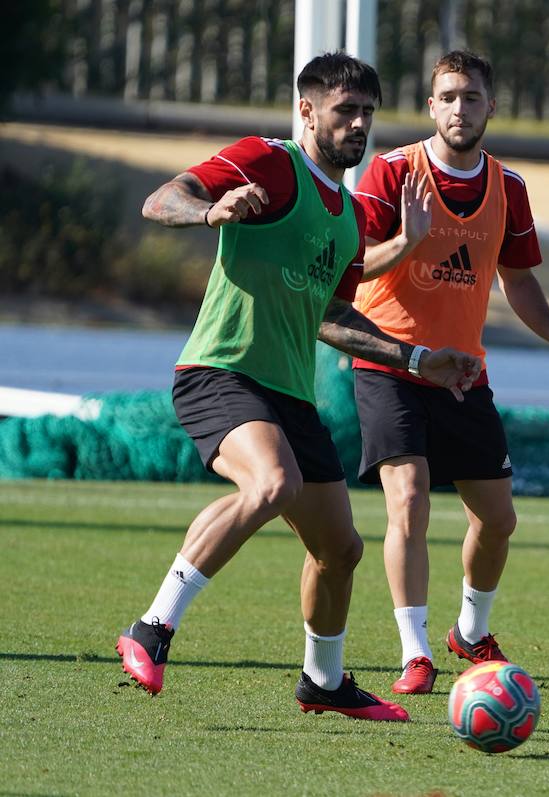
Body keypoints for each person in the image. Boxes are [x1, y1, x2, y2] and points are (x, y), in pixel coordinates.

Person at [116, 52, 480, 720]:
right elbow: (161, 198)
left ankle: (323, 679)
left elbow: (335, 318)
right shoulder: (269, 161)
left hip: (288, 395)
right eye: (346, 111)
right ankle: (152, 627)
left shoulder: (348, 216)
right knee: (270, 484)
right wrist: (210, 211)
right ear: (307, 111)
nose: (359, 124)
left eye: (368, 112)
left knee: (341, 549)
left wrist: (417, 357)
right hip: (220, 371)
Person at [350, 50, 549, 694]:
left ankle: (469, 633)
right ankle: (415, 651)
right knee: (409, 500)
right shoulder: (391, 174)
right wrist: (407, 241)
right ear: (430, 106)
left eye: (471, 97)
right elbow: (352, 267)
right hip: (391, 363)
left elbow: (518, 278)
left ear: (490, 106)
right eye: (448, 96)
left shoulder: (509, 188)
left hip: (463, 374)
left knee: (498, 521)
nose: (459, 108)